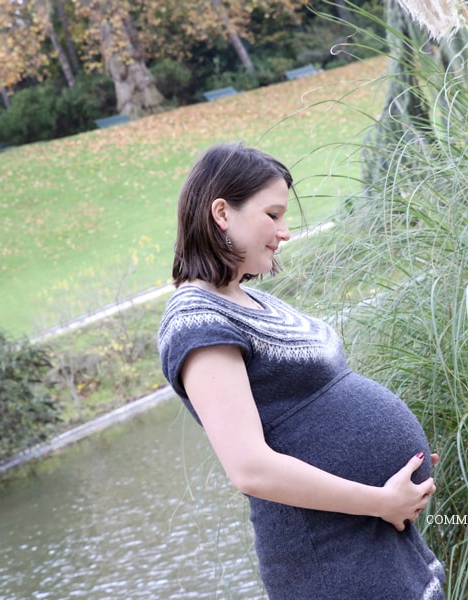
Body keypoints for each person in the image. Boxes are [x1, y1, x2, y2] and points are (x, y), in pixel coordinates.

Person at [158, 142, 445, 600]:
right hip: (329, 562)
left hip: (371, 543)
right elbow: (250, 468)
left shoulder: (250, 301)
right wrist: (380, 499)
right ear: (221, 213)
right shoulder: (196, 321)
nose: (285, 231)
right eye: (272, 215)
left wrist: (393, 465)